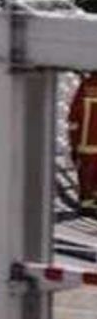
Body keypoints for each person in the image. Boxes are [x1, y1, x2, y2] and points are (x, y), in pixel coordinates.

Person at [70, 73, 97, 217]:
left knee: (86, 173)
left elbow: (74, 115)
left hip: (86, 142)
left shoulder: (85, 86)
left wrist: (73, 143)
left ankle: (87, 205)